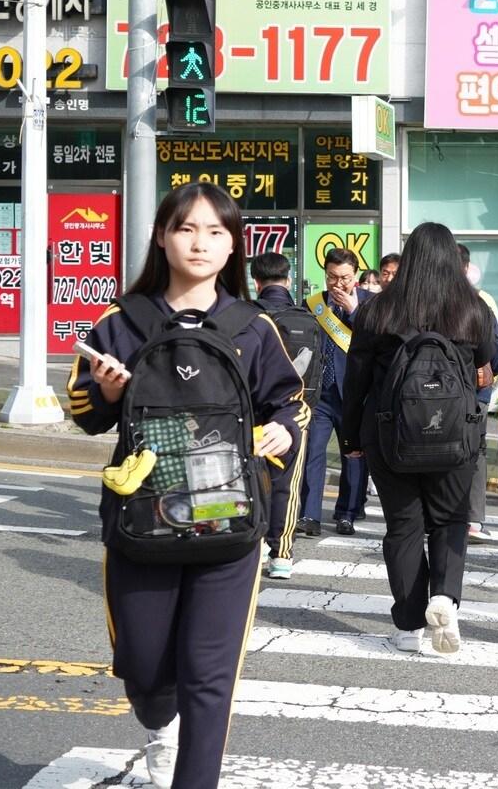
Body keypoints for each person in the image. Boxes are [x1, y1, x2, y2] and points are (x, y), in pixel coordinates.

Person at [66, 182, 307, 789]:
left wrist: (281, 429)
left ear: (234, 248)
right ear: (161, 236)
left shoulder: (252, 327)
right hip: (140, 523)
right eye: (186, 228)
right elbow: (82, 410)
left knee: (209, 673)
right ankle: (156, 720)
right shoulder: (122, 322)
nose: (200, 243)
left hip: (230, 521)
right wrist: (109, 392)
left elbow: (292, 401)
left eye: (216, 232)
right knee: (145, 670)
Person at [340, 222, 498, 654]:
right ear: (453, 259)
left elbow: (355, 382)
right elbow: (487, 363)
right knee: (449, 521)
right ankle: (444, 597)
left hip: (391, 433)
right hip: (455, 435)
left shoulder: (377, 310)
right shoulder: (473, 310)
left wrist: (351, 436)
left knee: (404, 526)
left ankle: (409, 626)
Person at [251, 252, 318, 579]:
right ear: (288, 280)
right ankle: (282, 555)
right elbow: (318, 373)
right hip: (295, 412)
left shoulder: (246, 317)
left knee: (252, 478)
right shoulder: (306, 318)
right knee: (287, 485)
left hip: (252, 414)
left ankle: (256, 543)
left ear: (256, 282)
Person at [302, 246, 374, 536]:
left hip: (355, 393)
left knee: (353, 456)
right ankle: (309, 515)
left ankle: (347, 512)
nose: (338, 284)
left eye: (344, 277)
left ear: (355, 275)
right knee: (313, 453)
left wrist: (354, 311)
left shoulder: (370, 304)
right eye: (332, 277)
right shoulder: (314, 304)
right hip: (321, 393)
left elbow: (376, 339)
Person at [453, 241, 498, 544]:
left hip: (449, 395)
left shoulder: (430, 301)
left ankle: (455, 518)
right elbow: (496, 351)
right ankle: (471, 520)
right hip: (473, 393)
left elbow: (497, 351)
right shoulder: (480, 301)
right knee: (474, 454)